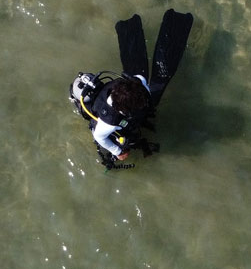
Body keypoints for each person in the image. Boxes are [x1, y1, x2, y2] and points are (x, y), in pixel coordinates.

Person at [69, 9, 194, 169]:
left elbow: (140, 85)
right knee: (155, 86)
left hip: (130, 87)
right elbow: (100, 137)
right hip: (110, 112)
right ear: (126, 111)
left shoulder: (136, 83)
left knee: (155, 80)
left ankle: (131, 25)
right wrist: (117, 151)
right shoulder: (110, 121)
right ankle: (132, 24)